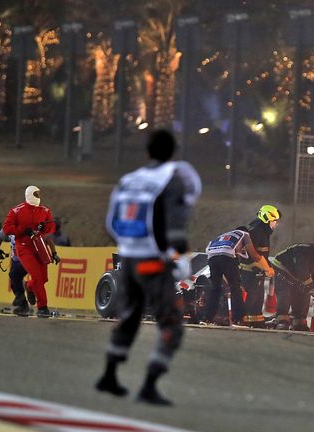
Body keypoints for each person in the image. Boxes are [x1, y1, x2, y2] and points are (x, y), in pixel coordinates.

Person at [95, 129, 201, 406]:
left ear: (147, 152)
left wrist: (131, 245)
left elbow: (110, 224)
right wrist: (180, 257)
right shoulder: (172, 179)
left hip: (127, 258)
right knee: (172, 325)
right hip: (153, 262)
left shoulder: (127, 180)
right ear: (172, 153)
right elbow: (175, 225)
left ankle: (109, 375)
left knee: (129, 317)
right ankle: (149, 385)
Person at [2, 185, 56, 318]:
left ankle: (30, 286)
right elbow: (7, 228)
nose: (38, 197)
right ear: (29, 194)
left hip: (40, 247)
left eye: (39, 194)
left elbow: (51, 228)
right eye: (36, 194)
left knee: (43, 279)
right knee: (37, 275)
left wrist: (45, 227)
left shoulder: (45, 210)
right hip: (24, 248)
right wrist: (21, 230)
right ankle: (42, 307)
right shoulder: (16, 211)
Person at [202, 229, 274, 325]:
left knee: (216, 288)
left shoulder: (224, 236)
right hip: (227, 256)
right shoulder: (244, 234)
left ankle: (207, 318)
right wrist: (268, 269)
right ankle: (238, 319)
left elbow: (240, 255)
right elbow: (255, 256)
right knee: (236, 288)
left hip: (212, 256)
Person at [270, 243, 314, 331]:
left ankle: (299, 320)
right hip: (283, 267)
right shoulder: (306, 252)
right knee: (285, 293)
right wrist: (312, 287)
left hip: (295, 272)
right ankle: (282, 320)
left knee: (303, 292)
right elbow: (302, 273)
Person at [237, 205, 280, 328]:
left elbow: (262, 254)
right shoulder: (258, 231)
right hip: (251, 271)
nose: (275, 224)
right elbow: (254, 255)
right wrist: (266, 268)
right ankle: (242, 319)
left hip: (255, 270)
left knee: (257, 297)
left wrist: (267, 266)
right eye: (274, 221)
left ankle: (256, 320)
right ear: (268, 219)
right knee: (252, 296)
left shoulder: (259, 230)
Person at [0, 229, 30, 315]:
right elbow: (0, 236)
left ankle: (22, 295)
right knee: (13, 282)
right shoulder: (10, 226)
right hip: (15, 259)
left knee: (14, 275)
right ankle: (23, 304)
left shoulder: (28, 225)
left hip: (27, 259)